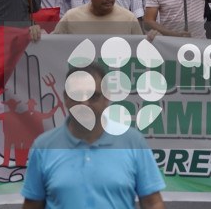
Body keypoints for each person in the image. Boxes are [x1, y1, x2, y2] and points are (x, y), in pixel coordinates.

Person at [20, 63, 166, 209]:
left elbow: (152, 203)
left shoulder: (133, 142)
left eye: (93, 95)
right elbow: (32, 205)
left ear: (107, 97)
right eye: (77, 94)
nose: (84, 102)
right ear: (65, 97)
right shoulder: (43, 147)